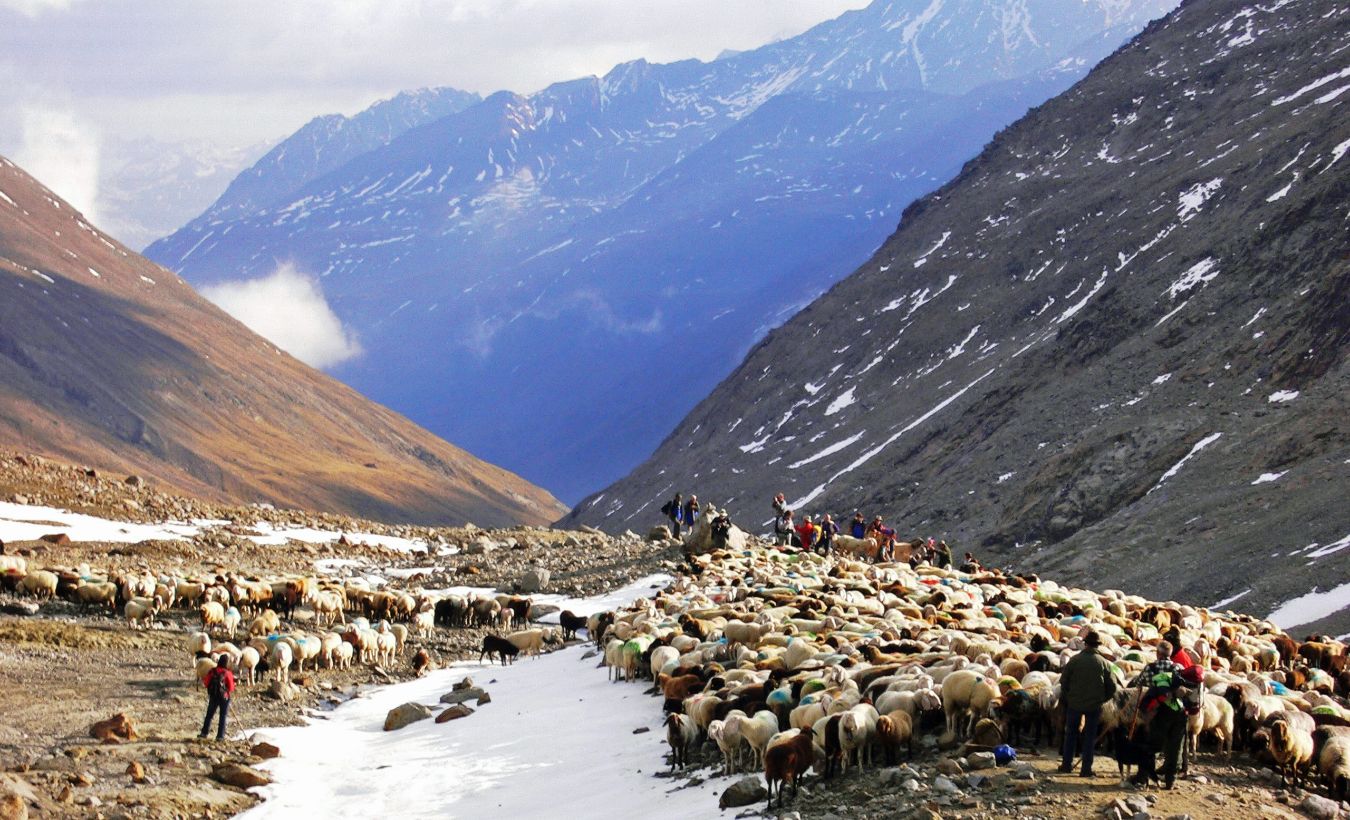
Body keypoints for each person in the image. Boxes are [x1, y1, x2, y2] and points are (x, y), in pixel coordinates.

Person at [1129, 641, 1189, 788]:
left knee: (1152, 744)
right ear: (1170, 655)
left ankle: (1143, 777)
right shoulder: (1179, 667)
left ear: (1158, 653)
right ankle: (1170, 780)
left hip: (1159, 711)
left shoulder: (1151, 668)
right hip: (1179, 712)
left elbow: (1138, 683)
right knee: (1174, 747)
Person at [1057, 631, 1117, 777]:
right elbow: (1113, 686)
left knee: (1071, 733)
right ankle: (1086, 769)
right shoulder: (1104, 663)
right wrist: (1103, 699)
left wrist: (1069, 697)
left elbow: (1063, 682)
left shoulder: (1075, 660)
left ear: (1085, 643)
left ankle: (1066, 765)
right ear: (1098, 645)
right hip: (1094, 706)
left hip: (1074, 704)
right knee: (1089, 737)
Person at [199, 655, 235, 741]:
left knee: (209, 715)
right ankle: (220, 736)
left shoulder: (212, 671)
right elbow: (231, 688)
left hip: (213, 696)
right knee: (223, 716)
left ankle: (204, 733)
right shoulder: (228, 673)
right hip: (224, 697)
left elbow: (206, 683)